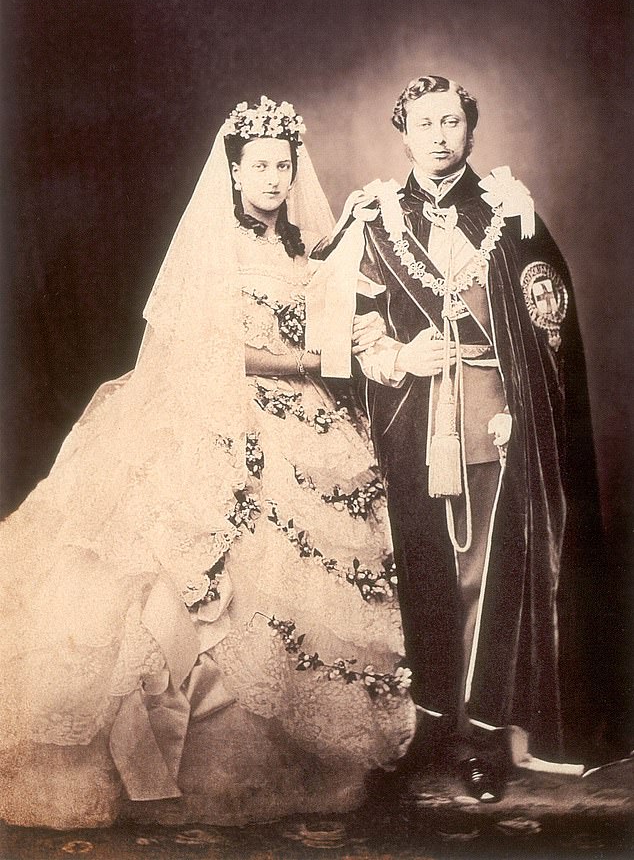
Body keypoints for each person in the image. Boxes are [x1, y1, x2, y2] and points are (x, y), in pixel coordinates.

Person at [0, 97, 416, 828]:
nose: (273, 178)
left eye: (282, 167)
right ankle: (174, 764)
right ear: (234, 172)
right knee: (199, 570)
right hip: (228, 409)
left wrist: (360, 343)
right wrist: (304, 359)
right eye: (258, 166)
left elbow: (345, 321)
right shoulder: (215, 249)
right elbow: (209, 344)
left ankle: (306, 751)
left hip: (311, 417)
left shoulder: (306, 251)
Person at [309, 75, 610, 803]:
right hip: (405, 421)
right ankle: (422, 731)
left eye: (453, 122)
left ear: (470, 131)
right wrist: (393, 355)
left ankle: (481, 742)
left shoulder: (509, 214)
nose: (441, 135)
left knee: (480, 579)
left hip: (488, 421)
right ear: (403, 132)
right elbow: (340, 315)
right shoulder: (375, 219)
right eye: (425, 123)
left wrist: (524, 407)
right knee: (412, 575)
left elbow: (546, 331)